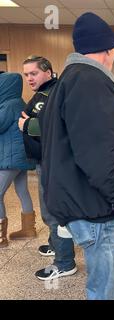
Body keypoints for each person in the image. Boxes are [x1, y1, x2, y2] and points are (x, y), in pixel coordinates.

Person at [40, 12, 114, 300]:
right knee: (105, 291)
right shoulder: (90, 83)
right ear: (110, 50)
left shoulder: (69, 81)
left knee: (100, 287)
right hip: (92, 207)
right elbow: (102, 160)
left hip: (77, 200)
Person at [15, 55, 77, 281]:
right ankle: (56, 245)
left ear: (48, 72)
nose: (29, 78)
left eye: (34, 73)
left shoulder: (51, 94)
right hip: (47, 161)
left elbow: (56, 126)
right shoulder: (47, 92)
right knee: (52, 210)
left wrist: (26, 124)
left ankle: (64, 262)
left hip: (52, 163)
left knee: (53, 213)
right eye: (26, 75)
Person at [0, 72, 35, 248]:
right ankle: (29, 229)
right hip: (21, 157)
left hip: (11, 157)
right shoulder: (19, 102)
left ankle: (0, 238)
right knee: (22, 190)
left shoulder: (8, 105)